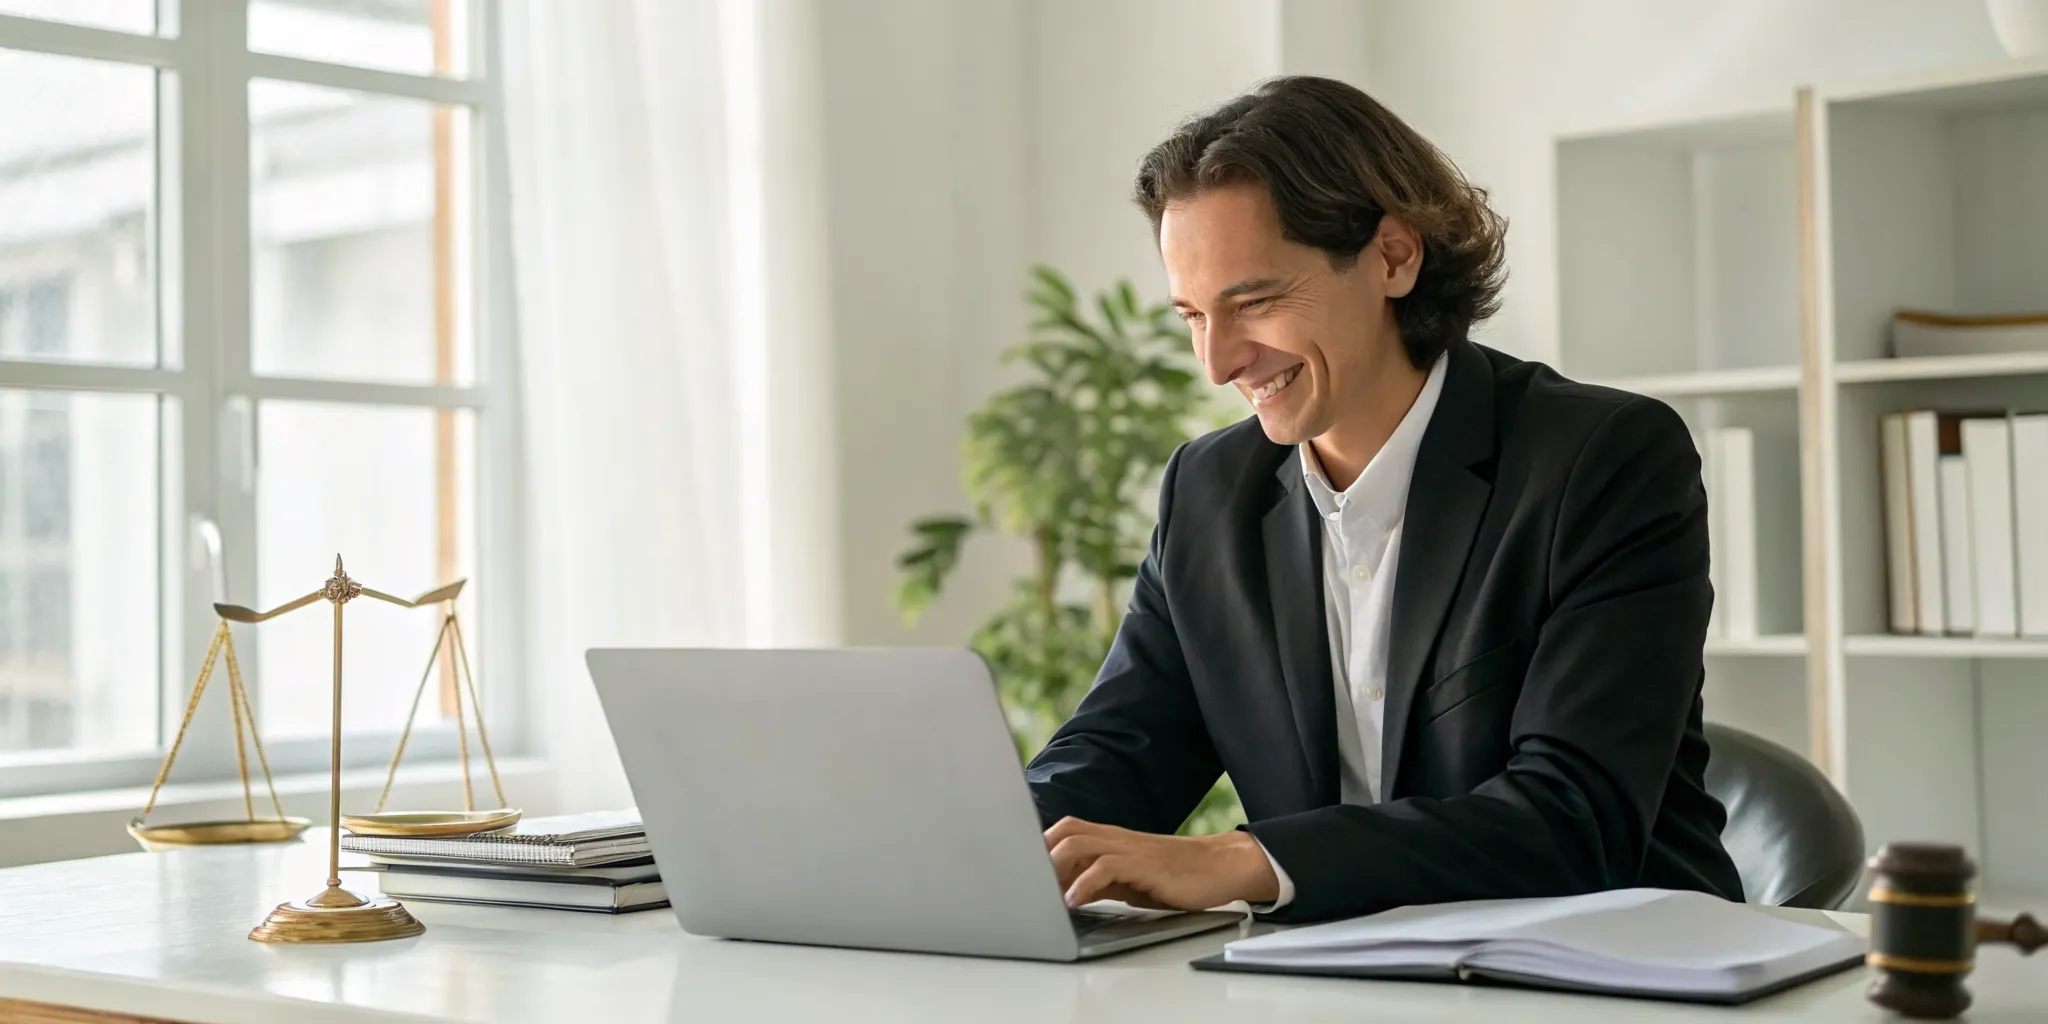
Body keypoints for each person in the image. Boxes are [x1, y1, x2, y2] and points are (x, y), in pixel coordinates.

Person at [1026, 76, 1744, 924]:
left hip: (1612, 968)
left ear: (1394, 258)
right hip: (1341, 980)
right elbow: (1120, 754)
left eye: (1252, 302)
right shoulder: (1211, 492)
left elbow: (1571, 818)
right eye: (1192, 316)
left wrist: (1248, 859)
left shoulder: (1602, 461)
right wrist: (984, 848)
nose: (1218, 364)